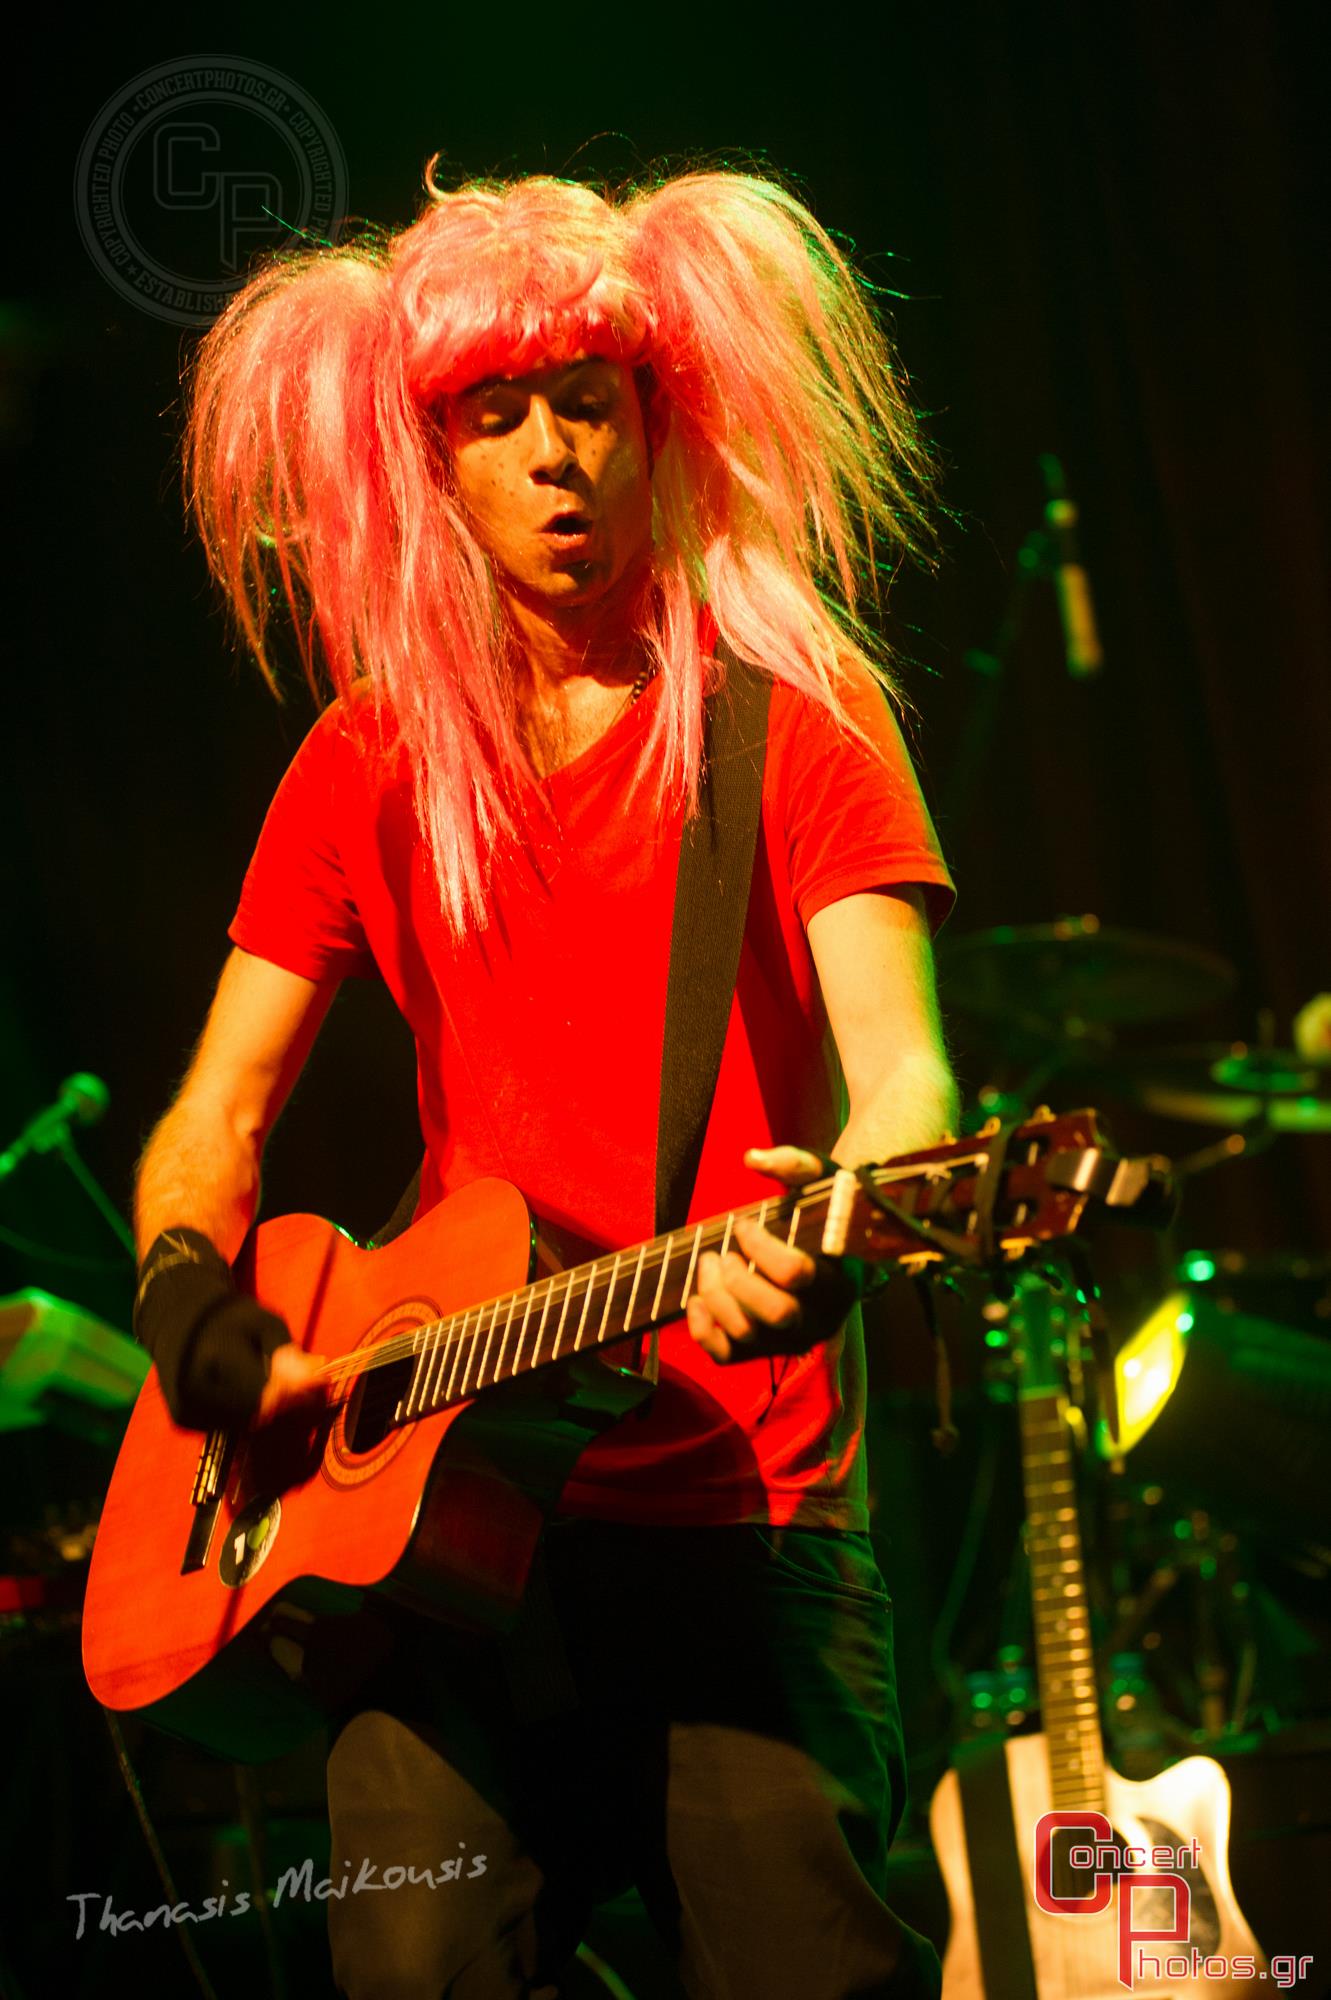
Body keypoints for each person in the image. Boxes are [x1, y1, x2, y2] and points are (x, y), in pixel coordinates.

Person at [131, 165, 959, 1998]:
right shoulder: (366, 760)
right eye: (496, 418)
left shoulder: (796, 715)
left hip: (740, 1518)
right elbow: (215, 1114)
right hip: (444, 1535)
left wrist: (833, 1232)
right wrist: (191, 1309)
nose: (556, 458)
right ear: (428, 464)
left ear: (659, 420)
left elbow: (909, 1083)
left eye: (586, 403)